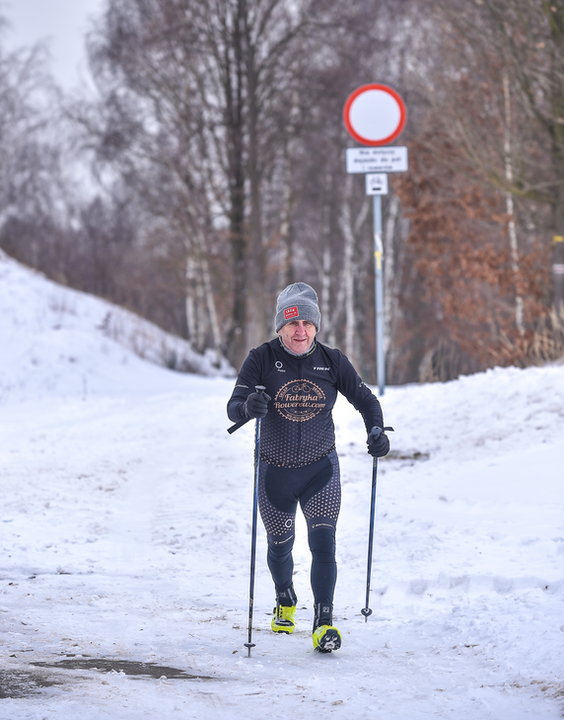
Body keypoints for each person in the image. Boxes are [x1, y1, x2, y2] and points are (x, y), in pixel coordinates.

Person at [227, 282, 390, 653]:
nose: (300, 330)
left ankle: (323, 622)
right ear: (280, 327)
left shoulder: (331, 360)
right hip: (275, 472)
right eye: (292, 322)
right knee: (280, 547)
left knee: (323, 543)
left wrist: (376, 430)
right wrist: (248, 407)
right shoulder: (262, 358)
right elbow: (234, 406)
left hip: (320, 469)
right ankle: (285, 598)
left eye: (307, 323)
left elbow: (365, 400)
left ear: (316, 327)